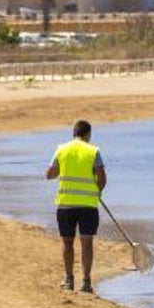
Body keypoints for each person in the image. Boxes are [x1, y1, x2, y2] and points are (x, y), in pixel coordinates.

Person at [46, 120, 106, 293]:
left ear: (74, 133)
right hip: (87, 205)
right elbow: (102, 178)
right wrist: (98, 189)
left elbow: (49, 174)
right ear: (88, 134)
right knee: (87, 243)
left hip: (65, 204)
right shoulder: (94, 151)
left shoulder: (61, 149)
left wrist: (62, 170)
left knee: (67, 243)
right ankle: (86, 282)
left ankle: (69, 279)